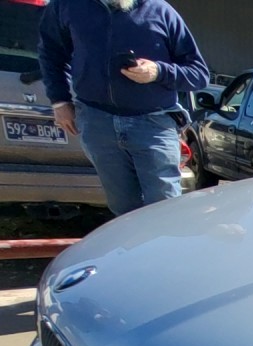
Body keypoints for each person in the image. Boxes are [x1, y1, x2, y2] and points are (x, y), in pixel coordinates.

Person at [38, 0, 208, 216]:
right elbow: (50, 53)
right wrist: (59, 101)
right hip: (98, 123)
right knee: (123, 210)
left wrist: (158, 72)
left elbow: (199, 74)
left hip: (153, 125)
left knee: (164, 210)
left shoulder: (160, 11)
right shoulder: (67, 6)